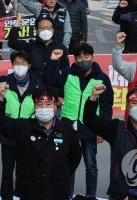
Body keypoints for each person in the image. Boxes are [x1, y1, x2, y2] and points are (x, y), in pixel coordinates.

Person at [44, 42, 113, 199]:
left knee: (91, 164)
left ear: (93, 58)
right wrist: (53, 60)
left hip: (91, 126)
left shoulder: (102, 78)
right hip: (68, 125)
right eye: (80, 57)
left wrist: (103, 128)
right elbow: (48, 79)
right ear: (74, 59)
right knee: (68, 164)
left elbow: (106, 105)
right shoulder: (67, 73)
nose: (83, 60)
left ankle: (90, 196)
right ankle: (66, 195)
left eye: (87, 57)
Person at [0, 86, 82, 200]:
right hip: (28, 191)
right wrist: (0, 97)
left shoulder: (67, 131)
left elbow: (75, 156)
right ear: (34, 106)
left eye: (48, 104)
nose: (44, 108)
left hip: (57, 191)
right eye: (39, 104)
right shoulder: (23, 127)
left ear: (55, 106)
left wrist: (61, 174)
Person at [83, 86, 137, 200]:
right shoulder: (116, 128)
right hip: (119, 194)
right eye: (134, 102)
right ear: (128, 107)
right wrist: (94, 96)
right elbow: (89, 120)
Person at [0, 49, 44, 200]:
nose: (19, 66)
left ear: (29, 65)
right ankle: (6, 196)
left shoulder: (38, 84)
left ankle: (23, 195)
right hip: (7, 133)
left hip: (28, 133)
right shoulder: (4, 82)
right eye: (16, 63)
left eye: (23, 63)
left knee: (26, 170)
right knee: (7, 170)